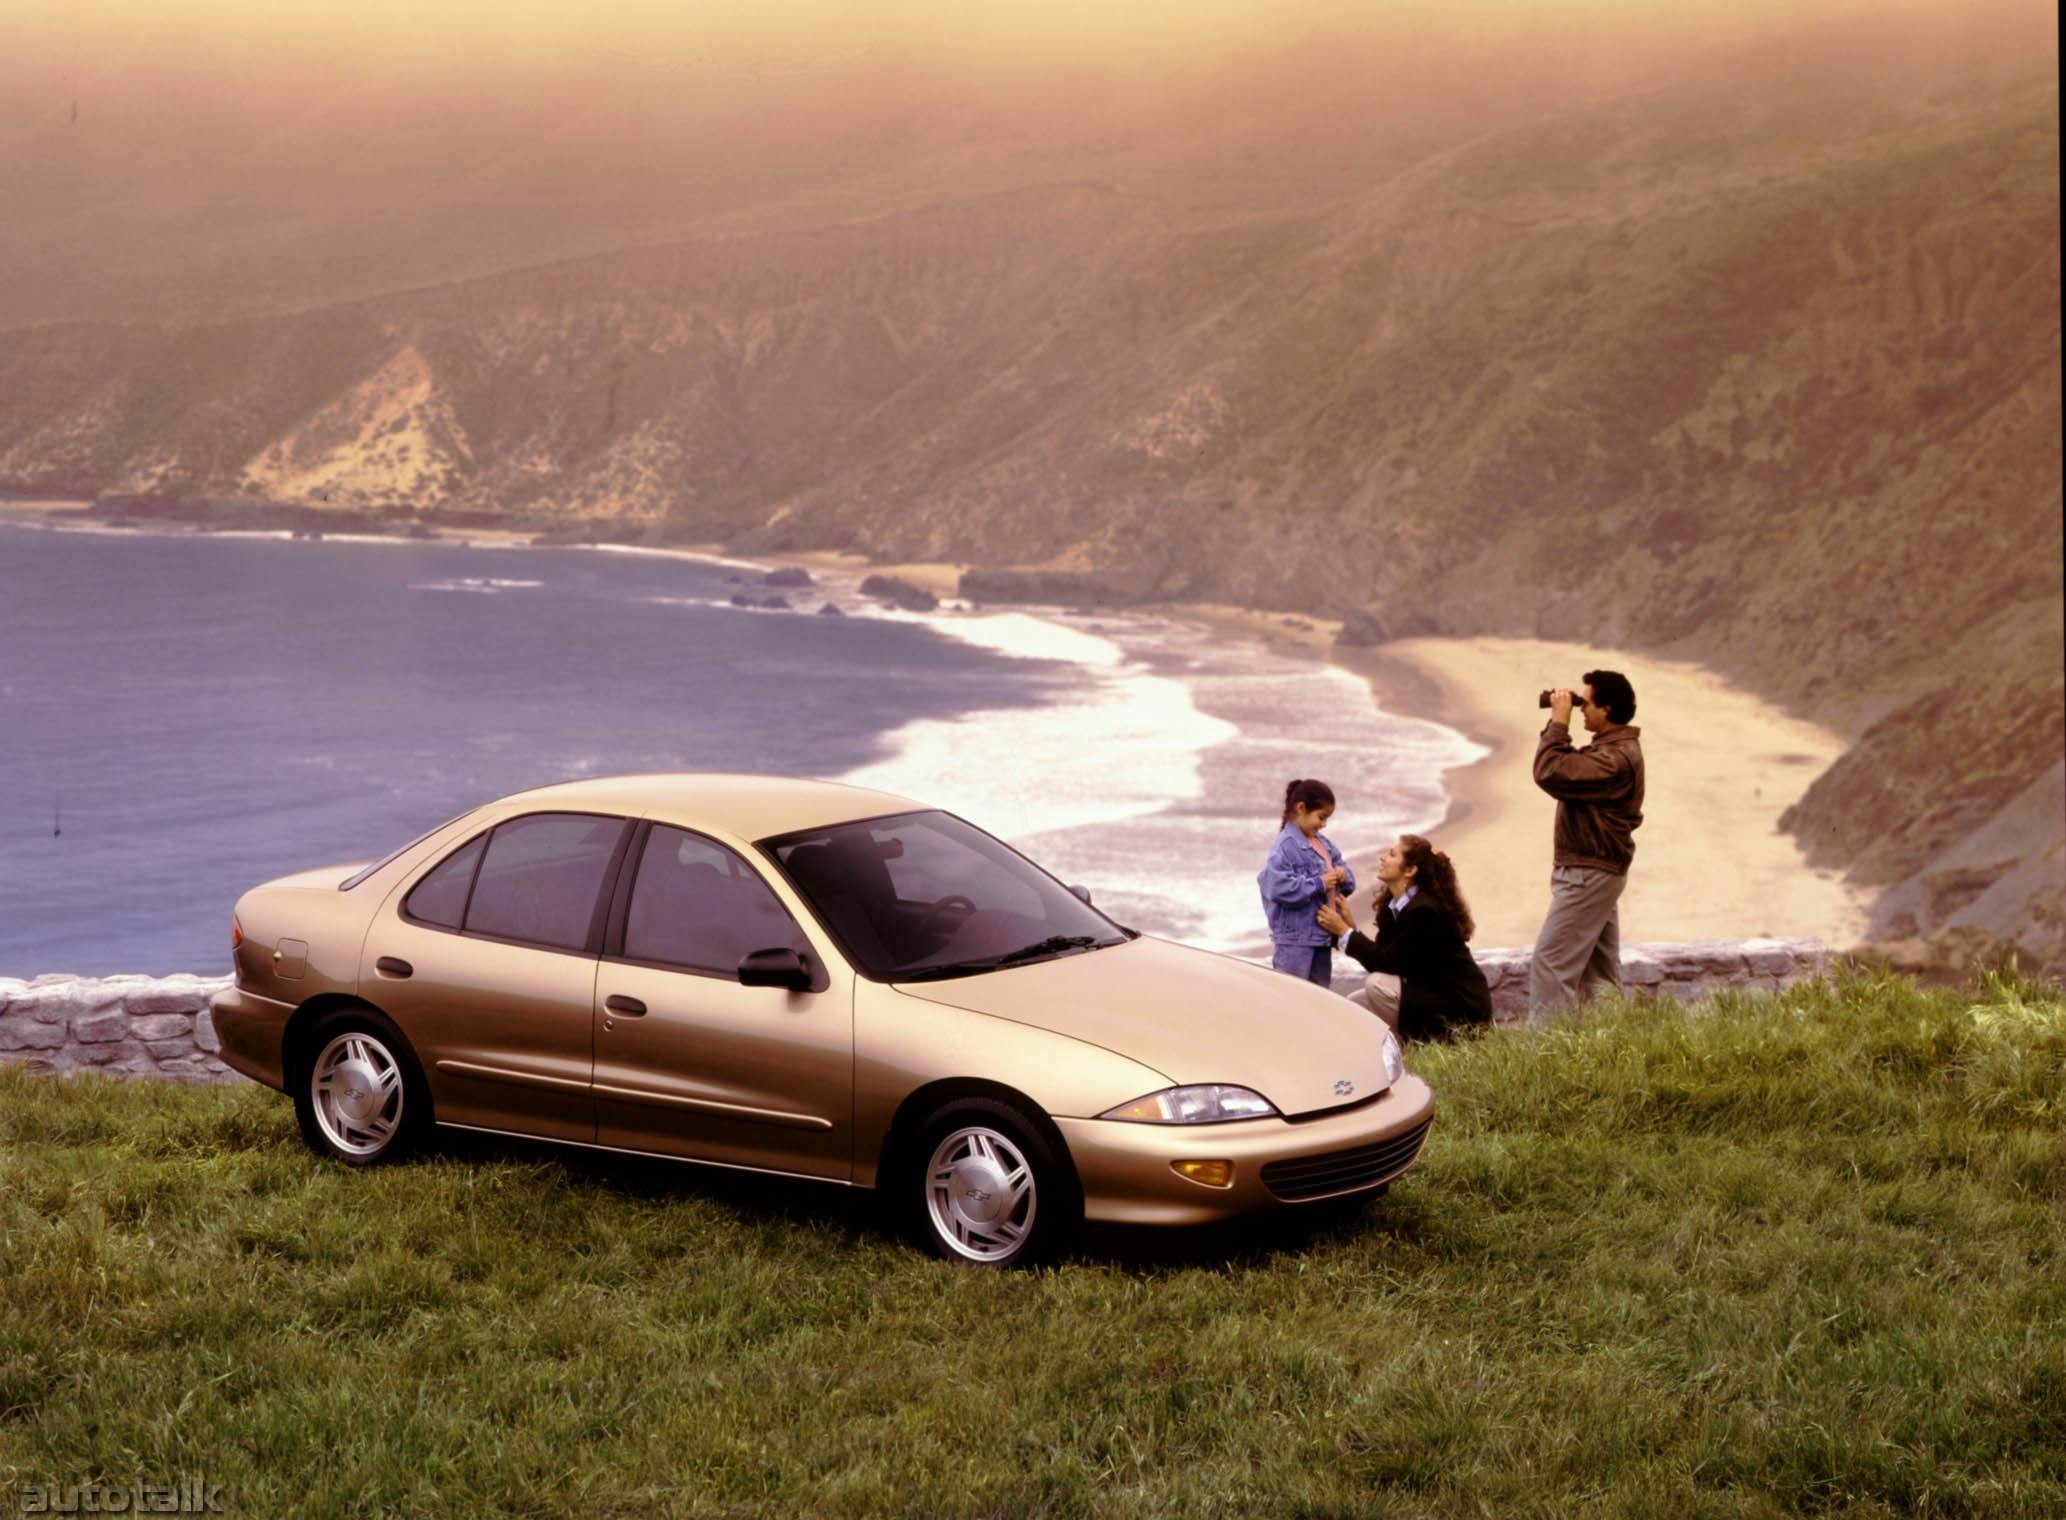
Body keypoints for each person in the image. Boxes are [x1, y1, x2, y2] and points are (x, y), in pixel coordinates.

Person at [1528, 669, 1644, 1016]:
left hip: (1588, 873)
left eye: (1587, 703)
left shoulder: (1614, 759)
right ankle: (1610, 1051)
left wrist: (1558, 723)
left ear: (1607, 709)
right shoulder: (1612, 751)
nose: (1582, 709)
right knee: (1600, 979)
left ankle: (1547, 1061)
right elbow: (1566, 767)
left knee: (1550, 966)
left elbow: (1550, 771)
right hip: (1598, 872)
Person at [1317, 834, 1493, 1040]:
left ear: (1410, 870)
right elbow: (1385, 958)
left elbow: (1385, 963)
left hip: (1461, 1009)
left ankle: (1401, 1051)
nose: (1382, 858)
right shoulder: (1396, 906)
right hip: (1431, 995)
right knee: (1357, 1003)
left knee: (1377, 986)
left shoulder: (1424, 911)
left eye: (1391, 854)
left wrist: (1343, 932)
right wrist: (1350, 927)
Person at [1258, 779, 1354, 985]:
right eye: (1321, 817)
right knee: (1292, 997)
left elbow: (1349, 879)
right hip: (1294, 941)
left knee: (1320, 999)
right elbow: (1277, 888)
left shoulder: (1324, 844)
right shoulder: (1284, 846)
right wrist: (1319, 883)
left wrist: (1343, 875)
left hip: (1322, 937)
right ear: (1301, 808)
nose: (1324, 824)